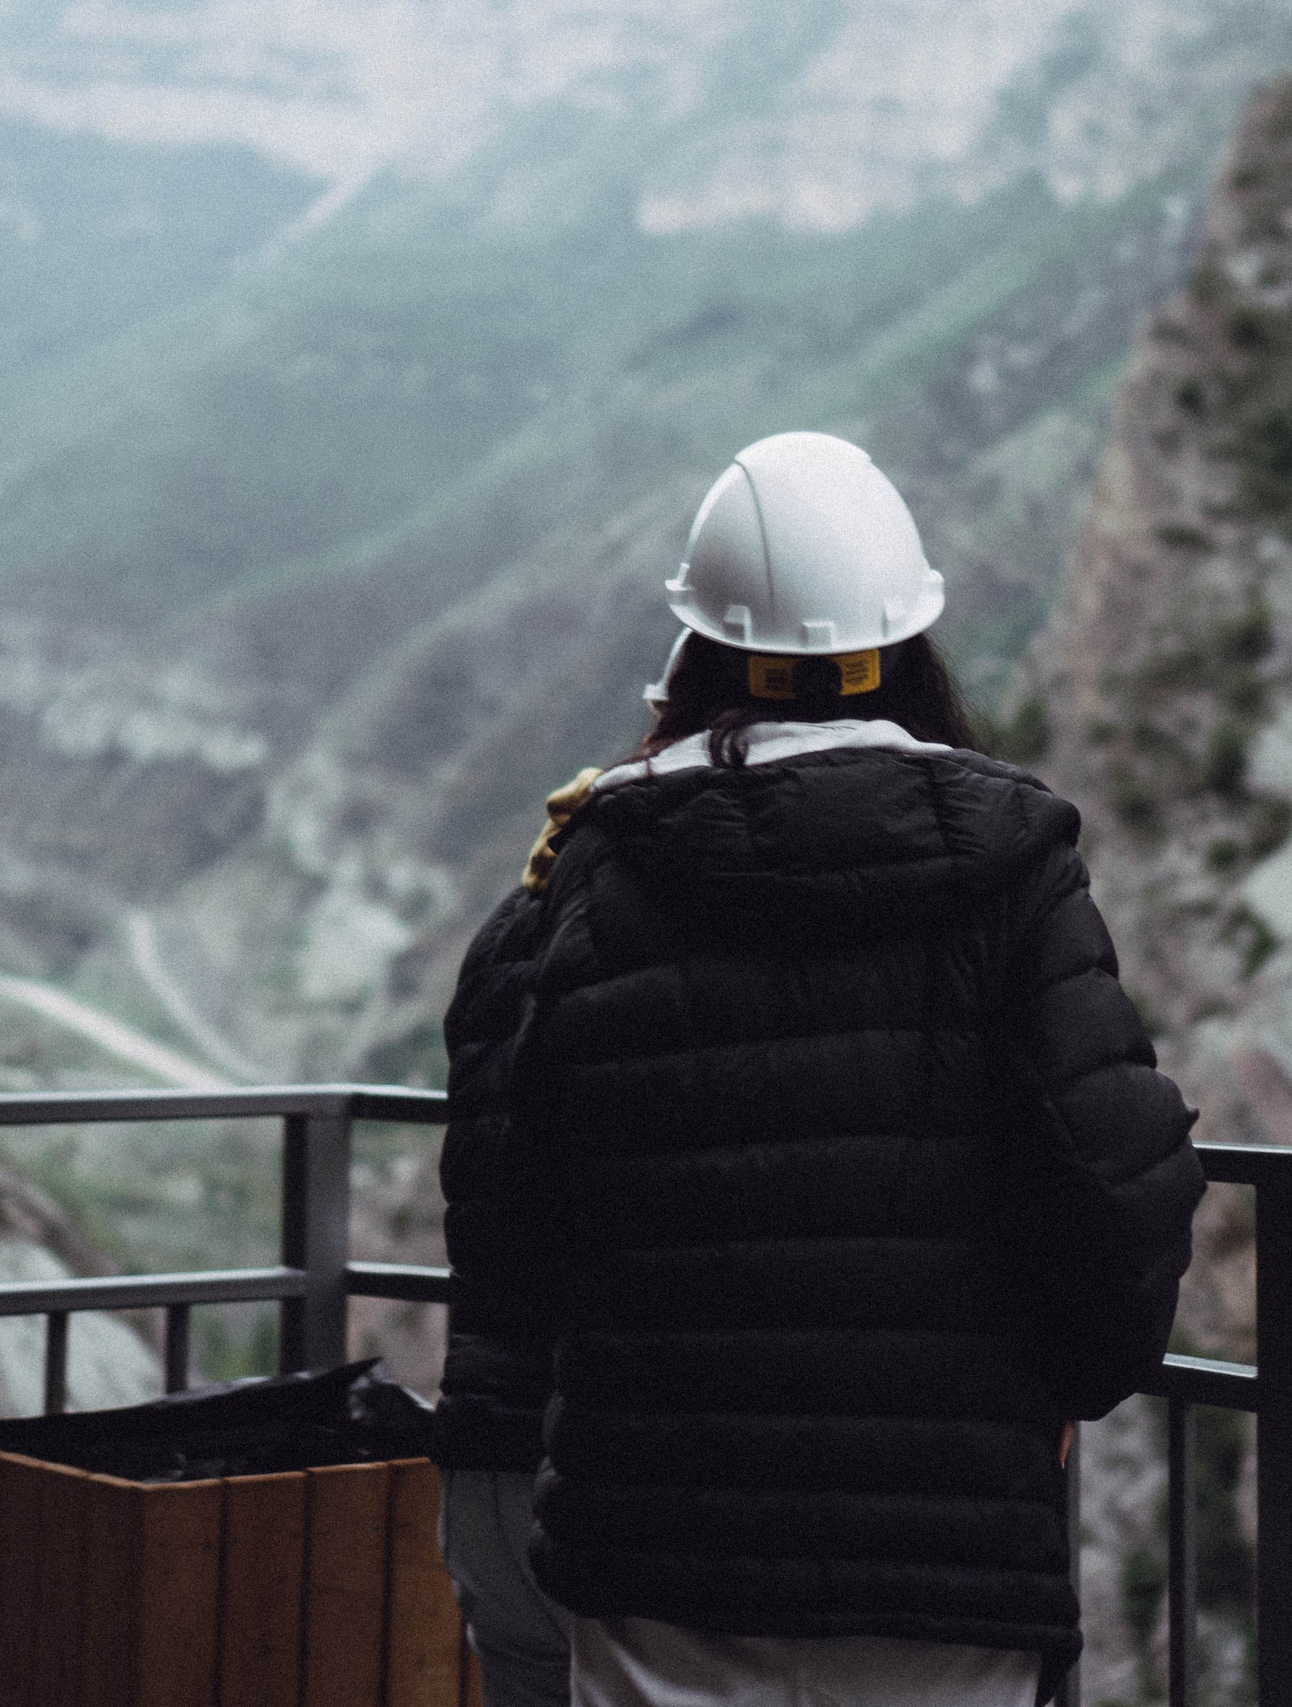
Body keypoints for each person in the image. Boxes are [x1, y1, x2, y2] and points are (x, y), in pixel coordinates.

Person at [432, 430, 1204, 1707]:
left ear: (697, 655)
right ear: (908, 647)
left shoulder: (597, 879)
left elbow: (510, 1237)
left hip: (658, 1552)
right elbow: (1113, 1192)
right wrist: (1069, 1383)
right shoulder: (1014, 870)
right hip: (945, 1554)